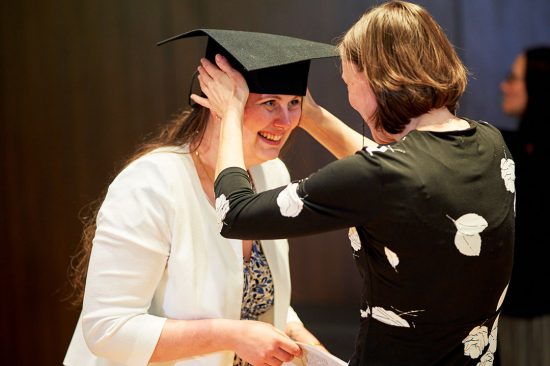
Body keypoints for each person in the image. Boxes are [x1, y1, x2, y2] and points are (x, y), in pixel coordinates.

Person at [192, 1, 515, 365]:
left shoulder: (384, 174)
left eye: (348, 82)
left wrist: (231, 112)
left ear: (376, 78)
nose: (350, 98)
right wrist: (310, 115)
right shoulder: (490, 144)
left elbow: (235, 214)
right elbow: (395, 177)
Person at [64, 29, 337, 366]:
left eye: (293, 103)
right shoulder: (151, 184)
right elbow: (108, 328)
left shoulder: (272, 174)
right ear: (220, 102)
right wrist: (232, 335)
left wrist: (297, 334)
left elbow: (249, 291)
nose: (284, 121)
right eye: (269, 103)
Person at [498, 46, 550, 366]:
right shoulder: (509, 148)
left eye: (514, 78)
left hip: (536, 316)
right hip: (515, 313)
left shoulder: (518, 153)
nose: (505, 85)